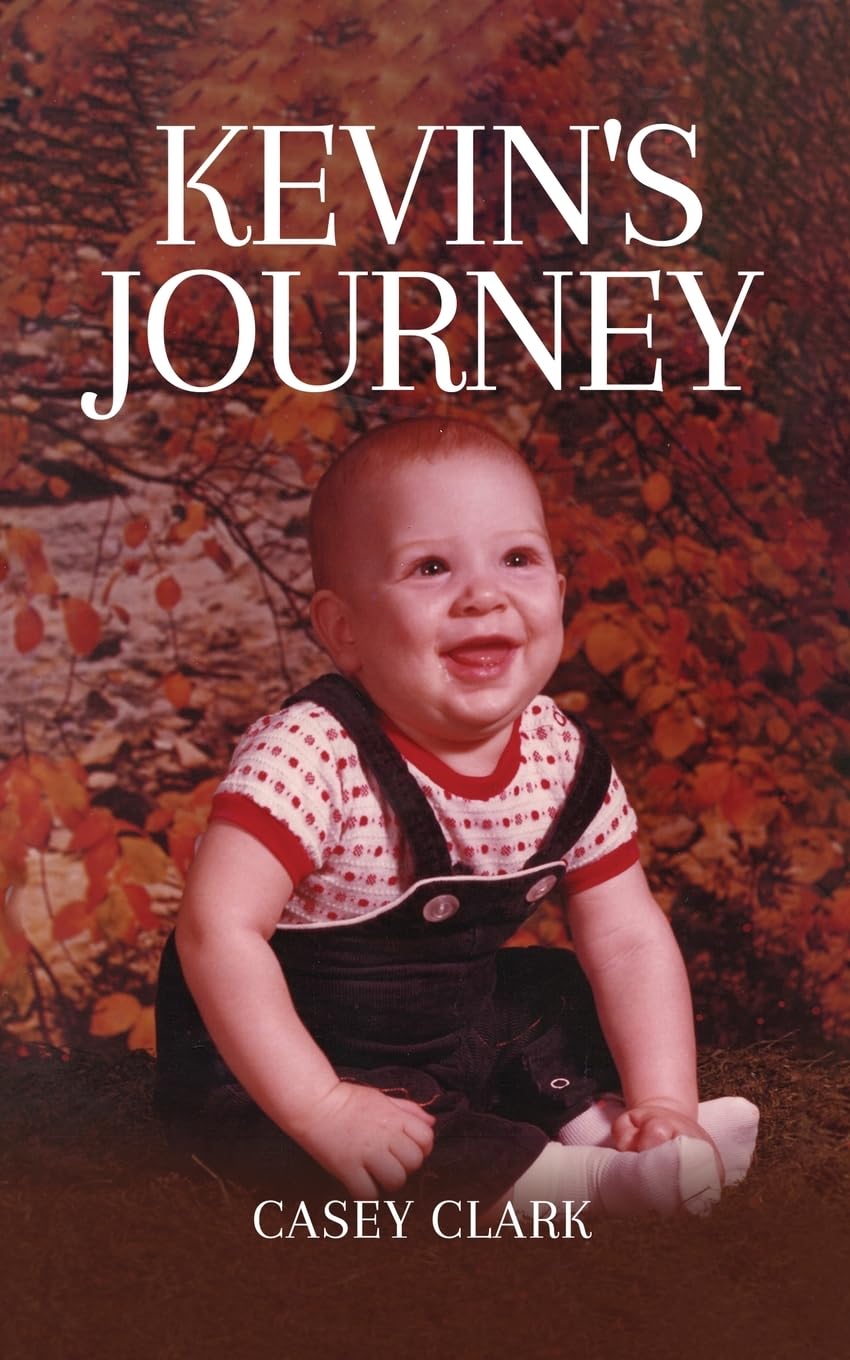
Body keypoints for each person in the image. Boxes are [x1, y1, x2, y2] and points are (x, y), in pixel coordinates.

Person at [155, 416, 758, 1217]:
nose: (483, 594)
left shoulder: (562, 756)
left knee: (555, 990)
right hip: (298, 1047)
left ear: (559, 594)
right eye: (431, 567)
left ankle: (633, 1128)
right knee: (348, 1138)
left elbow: (628, 937)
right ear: (344, 630)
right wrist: (321, 1107)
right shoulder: (311, 753)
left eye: (518, 559)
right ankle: (584, 1187)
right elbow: (215, 933)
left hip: (447, 1020)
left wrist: (667, 1093)